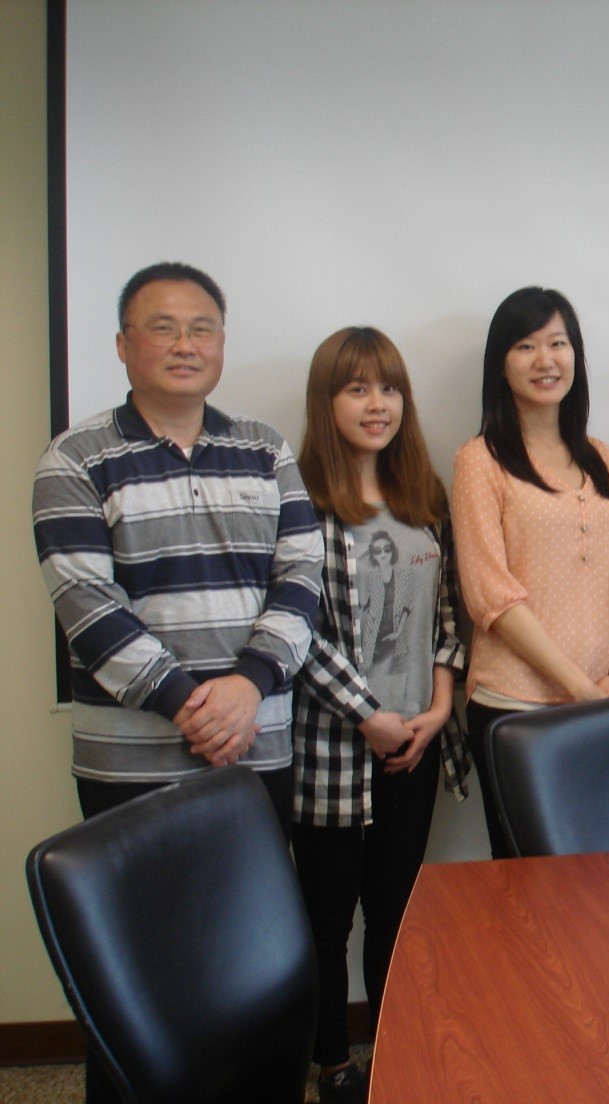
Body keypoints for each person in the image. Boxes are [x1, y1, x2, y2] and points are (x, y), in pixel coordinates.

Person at [31, 261, 324, 1104]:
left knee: (248, 967)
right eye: (161, 327)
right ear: (123, 344)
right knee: (138, 983)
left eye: (201, 327)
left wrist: (246, 688)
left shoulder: (265, 448)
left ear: (222, 344)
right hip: (131, 764)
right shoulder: (75, 458)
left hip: (256, 752)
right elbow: (88, 608)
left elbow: (301, 580)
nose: (184, 343)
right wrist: (193, 705)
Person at [291, 327, 471, 1104]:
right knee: (326, 922)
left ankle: (393, 1061)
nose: (377, 404)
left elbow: (448, 619)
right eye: (357, 388)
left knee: (395, 916)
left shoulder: (424, 497)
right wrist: (368, 714)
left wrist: (436, 709)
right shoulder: (299, 503)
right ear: (326, 401)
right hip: (333, 749)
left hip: (416, 746)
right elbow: (298, 630)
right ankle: (332, 1065)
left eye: (389, 387)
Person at [452, 287, 609, 856]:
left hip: (600, 700)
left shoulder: (601, 457)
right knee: (526, 882)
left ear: (576, 356)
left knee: (598, 879)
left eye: (558, 343)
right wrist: (580, 686)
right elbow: (493, 596)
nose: (545, 360)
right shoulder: (478, 461)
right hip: (516, 708)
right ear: (500, 364)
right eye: (526, 346)